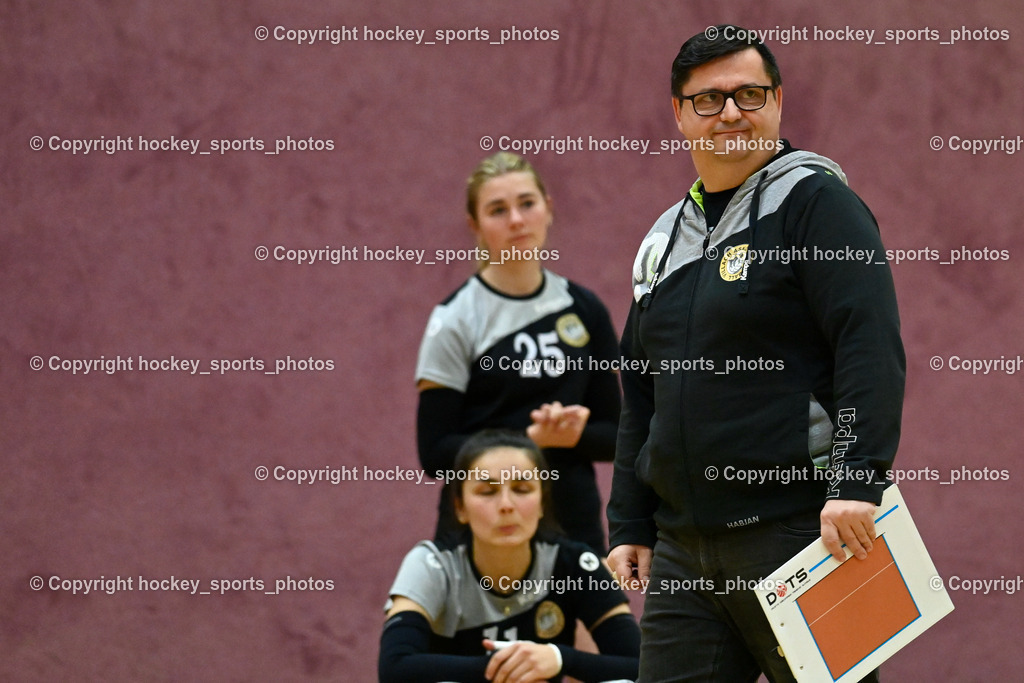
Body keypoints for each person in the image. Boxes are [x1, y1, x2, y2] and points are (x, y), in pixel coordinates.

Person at [606, 25, 905, 683]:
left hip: (803, 534)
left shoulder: (818, 202)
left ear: (778, 99)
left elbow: (868, 343)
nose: (732, 113)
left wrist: (858, 478)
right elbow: (644, 393)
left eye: (749, 93)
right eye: (709, 99)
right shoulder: (662, 243)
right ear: (680, 114)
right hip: (684, 555)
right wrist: (629, 517)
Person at [415, 152, 620, 553]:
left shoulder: (585, 309)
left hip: (571, 525)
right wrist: (528, 440)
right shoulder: (454, 319)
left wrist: (572, 435)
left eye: (527, 203)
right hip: (482, 535)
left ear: (548, 209)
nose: (516, 219)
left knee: (604, 616)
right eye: (497, 210)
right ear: (475, 225)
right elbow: (435, 453)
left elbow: (616, 437)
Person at [380, 430, 641, 683]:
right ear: (459, 507)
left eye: (522, 489)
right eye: (488, 491)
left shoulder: (575, 564)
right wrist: (506, 668)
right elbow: (394, 668)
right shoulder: (432, 564)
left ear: (542, 503)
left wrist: (559, 658)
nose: (506, 504)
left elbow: (642, 664)